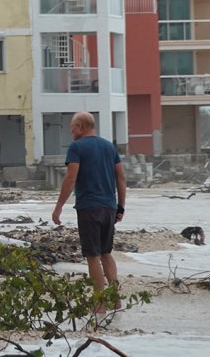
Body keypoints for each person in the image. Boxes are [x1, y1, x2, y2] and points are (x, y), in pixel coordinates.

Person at [51, 111, 126, 312]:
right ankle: (116, 301)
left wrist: (58, 207)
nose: (71, 131)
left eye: (72, 127)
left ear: (81, 126)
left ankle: (100, 304)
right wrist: (121, 206)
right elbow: (121, 177)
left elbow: (70, 178)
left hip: (89, 207)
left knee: (93, 256)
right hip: (109, 207)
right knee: (106, 253)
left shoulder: (76, 147)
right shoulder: (109, 146)